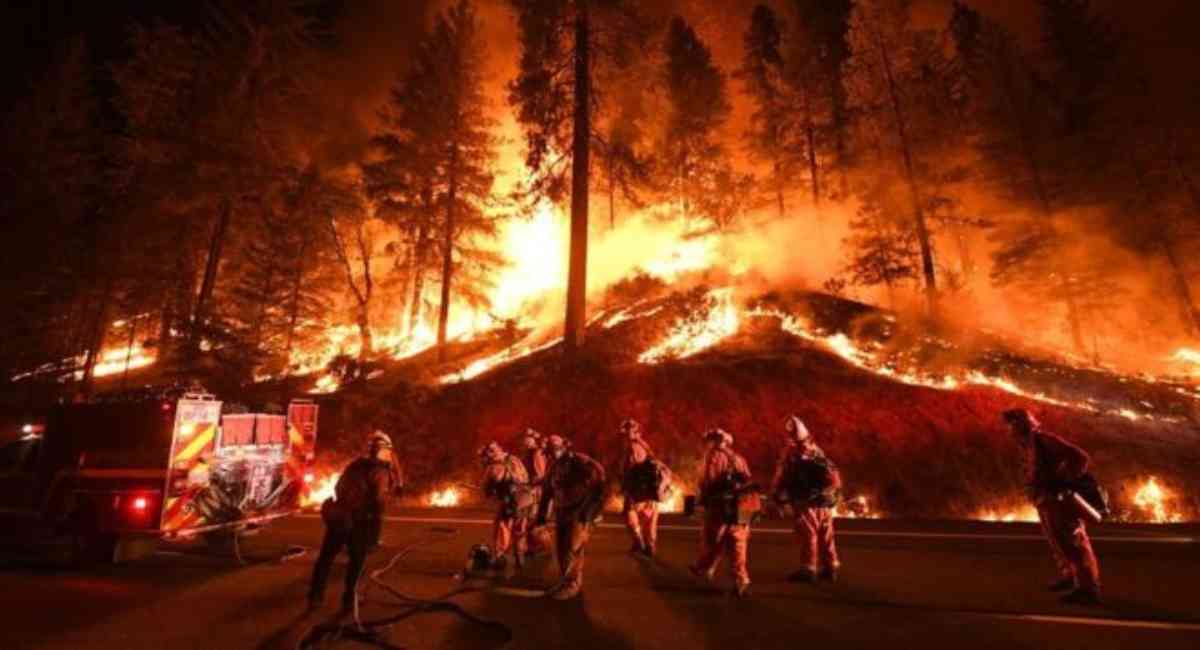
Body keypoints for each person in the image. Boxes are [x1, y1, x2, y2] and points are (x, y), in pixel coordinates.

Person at [1003, 408, 1102, 605]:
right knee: (1058, 542)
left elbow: (1080, 457)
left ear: (1025, 424)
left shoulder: (1043, 440)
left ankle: (1088, 589)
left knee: (1074, 544)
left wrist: (1063, 479)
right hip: (1046, 500)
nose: (1010, 429)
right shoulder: (1028, 445)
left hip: (1059, 500)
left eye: (1014, 424)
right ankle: (1070, 577)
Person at [308, 430, 402, 614]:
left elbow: (338, 486)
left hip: (338, 519)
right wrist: (373, 533)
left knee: (325, 559)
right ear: (383, 451)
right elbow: (378, 501)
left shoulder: (355, 465)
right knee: (356, 562)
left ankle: (315, 598)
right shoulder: (380, 471)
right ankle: (349, 601)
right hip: (358, 522)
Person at [770, 415, 842, 583]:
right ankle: (831, 566)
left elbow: (782, 474)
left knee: (807, 533)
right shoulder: (816, 450)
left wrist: (776, 493)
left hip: (804, 500)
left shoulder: (792, 453)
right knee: (826, 534)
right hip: (823, 500)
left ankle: (808, 569)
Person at [536, 435, 607, 600]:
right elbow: (548, 491)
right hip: (562, 511)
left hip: (579, 511)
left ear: (564, 447)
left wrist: (589, 511)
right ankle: (564, 580)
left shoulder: (580, 462)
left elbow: (598, 486)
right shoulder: (553, 467)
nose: (551, 454)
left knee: (573, 548)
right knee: (561, 548)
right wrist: (541, 515)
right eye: (549, 451)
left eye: (554, 450)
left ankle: (572, 584)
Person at [689, 428, 754, 598]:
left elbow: (706, 482)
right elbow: (748, 479)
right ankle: (741, 581)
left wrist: (701, 501)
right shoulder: (738, 458)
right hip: (743, 505)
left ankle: (704, 568)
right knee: (739, 543)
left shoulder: (712, 457)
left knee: (713, 539)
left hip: (720, 506)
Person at [618, 419, 668, 558]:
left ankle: (639, 542)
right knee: (649, 518)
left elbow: (630, 468)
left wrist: (626, 484)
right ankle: (648, 545)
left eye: (629, 430)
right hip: (649, 489)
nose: (627, 433)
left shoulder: (633, 447)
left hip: (638, 489)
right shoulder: (644, 445)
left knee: (630, 515)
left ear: (635, 431)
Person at [480, 441, 533, 570]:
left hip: (509, 502)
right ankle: (520, 557)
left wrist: (491, 490)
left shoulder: (493, 467)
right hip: (525, 500)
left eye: (489, 452)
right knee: (520, 529)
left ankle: (499, 556)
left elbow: (485, 487)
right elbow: (525, 477)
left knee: (502, 528)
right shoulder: (514, 459)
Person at [519, 428, 553, 557]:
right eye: (524, 439)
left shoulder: (536, 453)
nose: (524, 441)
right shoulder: (529, 453)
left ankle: (543, 547)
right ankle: (533, 547)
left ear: (533, 440)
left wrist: (531, 486)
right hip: (531, 490)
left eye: (527, 438)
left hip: (537, 492)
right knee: (530, 521)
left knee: (535, 521)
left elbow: (540, 474)